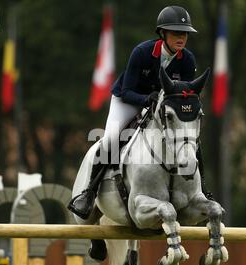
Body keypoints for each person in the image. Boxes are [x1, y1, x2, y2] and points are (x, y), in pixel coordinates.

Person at [68, 5, 214, 220]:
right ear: (163, 34)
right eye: (176, 33)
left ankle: (202, 190)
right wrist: (147, 99)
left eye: (184, 34)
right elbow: (127, 91)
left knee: (189, 140)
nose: (181, 38)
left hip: (162, 108)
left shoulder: (188, 59)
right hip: (129, 100)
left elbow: (184, 94)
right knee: (110, 140)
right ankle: (89, 193)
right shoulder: (143, 52)